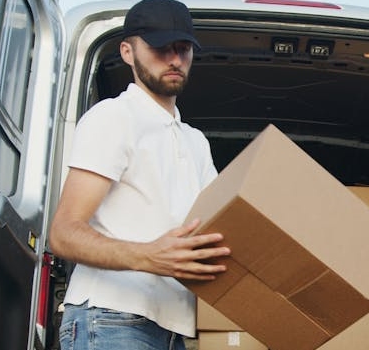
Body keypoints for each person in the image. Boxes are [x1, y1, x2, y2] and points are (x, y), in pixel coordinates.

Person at [48, 1, 231, 349]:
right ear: (128, 52)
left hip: (173, 329)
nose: (174, 59)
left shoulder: (195, 141)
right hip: (110, 318)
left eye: (183, 48)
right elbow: (63, 233)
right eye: (161, 48)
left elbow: (219, 228)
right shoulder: (114, 117)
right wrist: (149, 256)